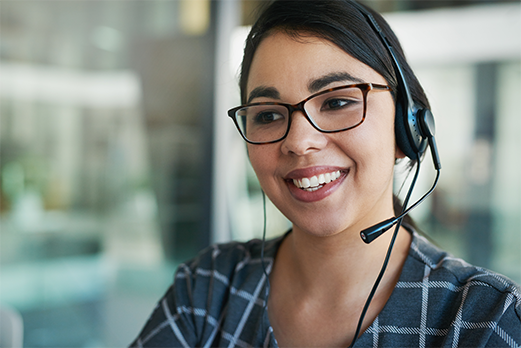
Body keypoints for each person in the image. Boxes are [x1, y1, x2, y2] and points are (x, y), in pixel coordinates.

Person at [129, 0, 521, 347]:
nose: (299, 142)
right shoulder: (209, 288)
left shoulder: (484, 319)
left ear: (409, 127)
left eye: (337, 102)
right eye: (267, 114)